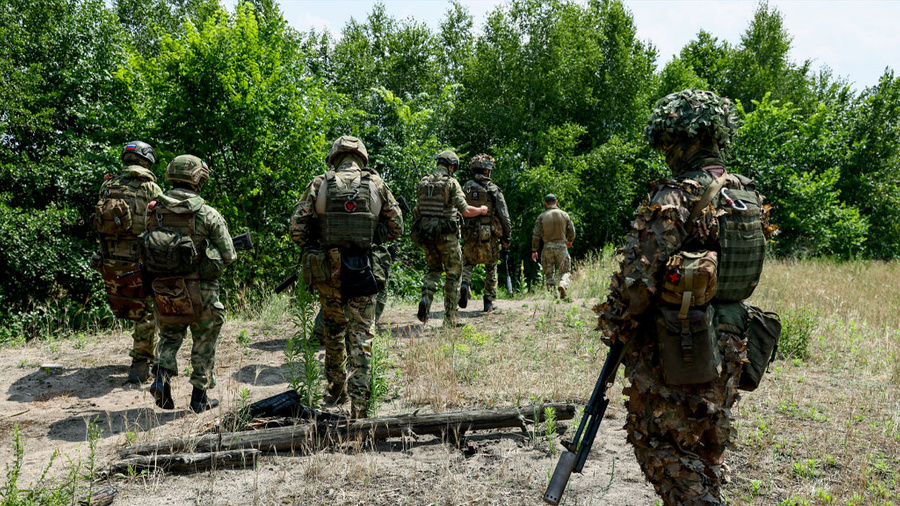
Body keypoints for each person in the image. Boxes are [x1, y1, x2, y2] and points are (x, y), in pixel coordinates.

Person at [596, 89, 776, 505]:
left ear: (682, 139)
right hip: (733, 339)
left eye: (667, 143)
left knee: (664, 448)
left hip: (680, 346)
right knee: (706, 447)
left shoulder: (677, 194)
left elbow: (636, 285)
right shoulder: (745, 193)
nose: (665, 153)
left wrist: (614, 325)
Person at [289, 136, 402, 419]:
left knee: (333, 330)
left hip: (328, 271)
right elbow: (397, 227)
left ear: (334, 158)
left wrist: (315, 244)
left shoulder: (319, 184)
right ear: (362, 158)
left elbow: (296, 228)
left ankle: (337, 389)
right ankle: (360, 408)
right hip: (364, 269)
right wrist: (372, 235)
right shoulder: (377, 184)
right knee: (362, 337)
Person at [145, 154, 236, 413]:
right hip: (201, 291)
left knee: (169, 335)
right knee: (204, 341)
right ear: (198, 180)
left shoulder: (154, 211)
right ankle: (199, 398)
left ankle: (161, 380)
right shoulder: (207, 213)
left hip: (166, 289)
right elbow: (229, 255)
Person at [92, 141, 163, 384]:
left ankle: (144, 359)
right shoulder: (150, 188)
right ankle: (140, 365)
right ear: (148, 160)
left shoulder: (107, 186)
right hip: (139, 259)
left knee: (129, 305)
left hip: (110, 259)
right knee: (147, 311)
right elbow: (160, 222)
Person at [411, 150, 487, 326]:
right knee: (453, 273)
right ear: (452, 166)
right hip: (447, 236)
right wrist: (481, 210)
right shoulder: (451, 183)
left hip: (426, 235)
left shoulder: (423, 183)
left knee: (433, 269)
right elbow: (465, 211)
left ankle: (426, 298)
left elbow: (417, 211)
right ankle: (450, 318)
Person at [459, 154, 511, 313]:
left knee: (467, 263)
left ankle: (464, 284)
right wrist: (507, 237)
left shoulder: (465, 188)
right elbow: (504, 215)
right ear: (487, 171)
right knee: (491, 266)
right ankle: (488, 301)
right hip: (488, 233)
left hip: (468, 232)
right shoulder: (493, 189)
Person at [531, 194, 575, 299]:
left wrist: (534, 250)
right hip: (561, 247)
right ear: (557, 202)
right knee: (565, 270)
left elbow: (536, 235)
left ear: (545, 203)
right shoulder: (564, 215)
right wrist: (570, 241)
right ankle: (563, 284)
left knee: (549, 273)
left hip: (547, 248)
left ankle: (552, 297)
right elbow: (572, 231)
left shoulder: (542, 217)